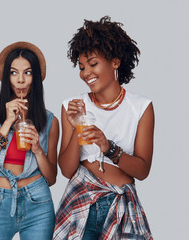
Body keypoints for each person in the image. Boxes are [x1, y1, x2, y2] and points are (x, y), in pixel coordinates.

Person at [54, 16, 154, 240]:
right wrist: (77, 129)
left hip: (122, 205)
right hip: (82, 203)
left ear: (115, 62)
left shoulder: (141, 107)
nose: (86, 73)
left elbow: (143, 170)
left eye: (93, 63)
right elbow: (67, 170)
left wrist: (108, 148)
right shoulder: (73, 106)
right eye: (81, 67)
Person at [0, 41, 59, 240]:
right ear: (6, 76)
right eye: (13, 73)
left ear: (36, 77)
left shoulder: (50, 120)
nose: (20, 80)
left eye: (28, 73)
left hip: (38, 201)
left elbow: (52, 177)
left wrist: (37, 149)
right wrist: (6, 124)